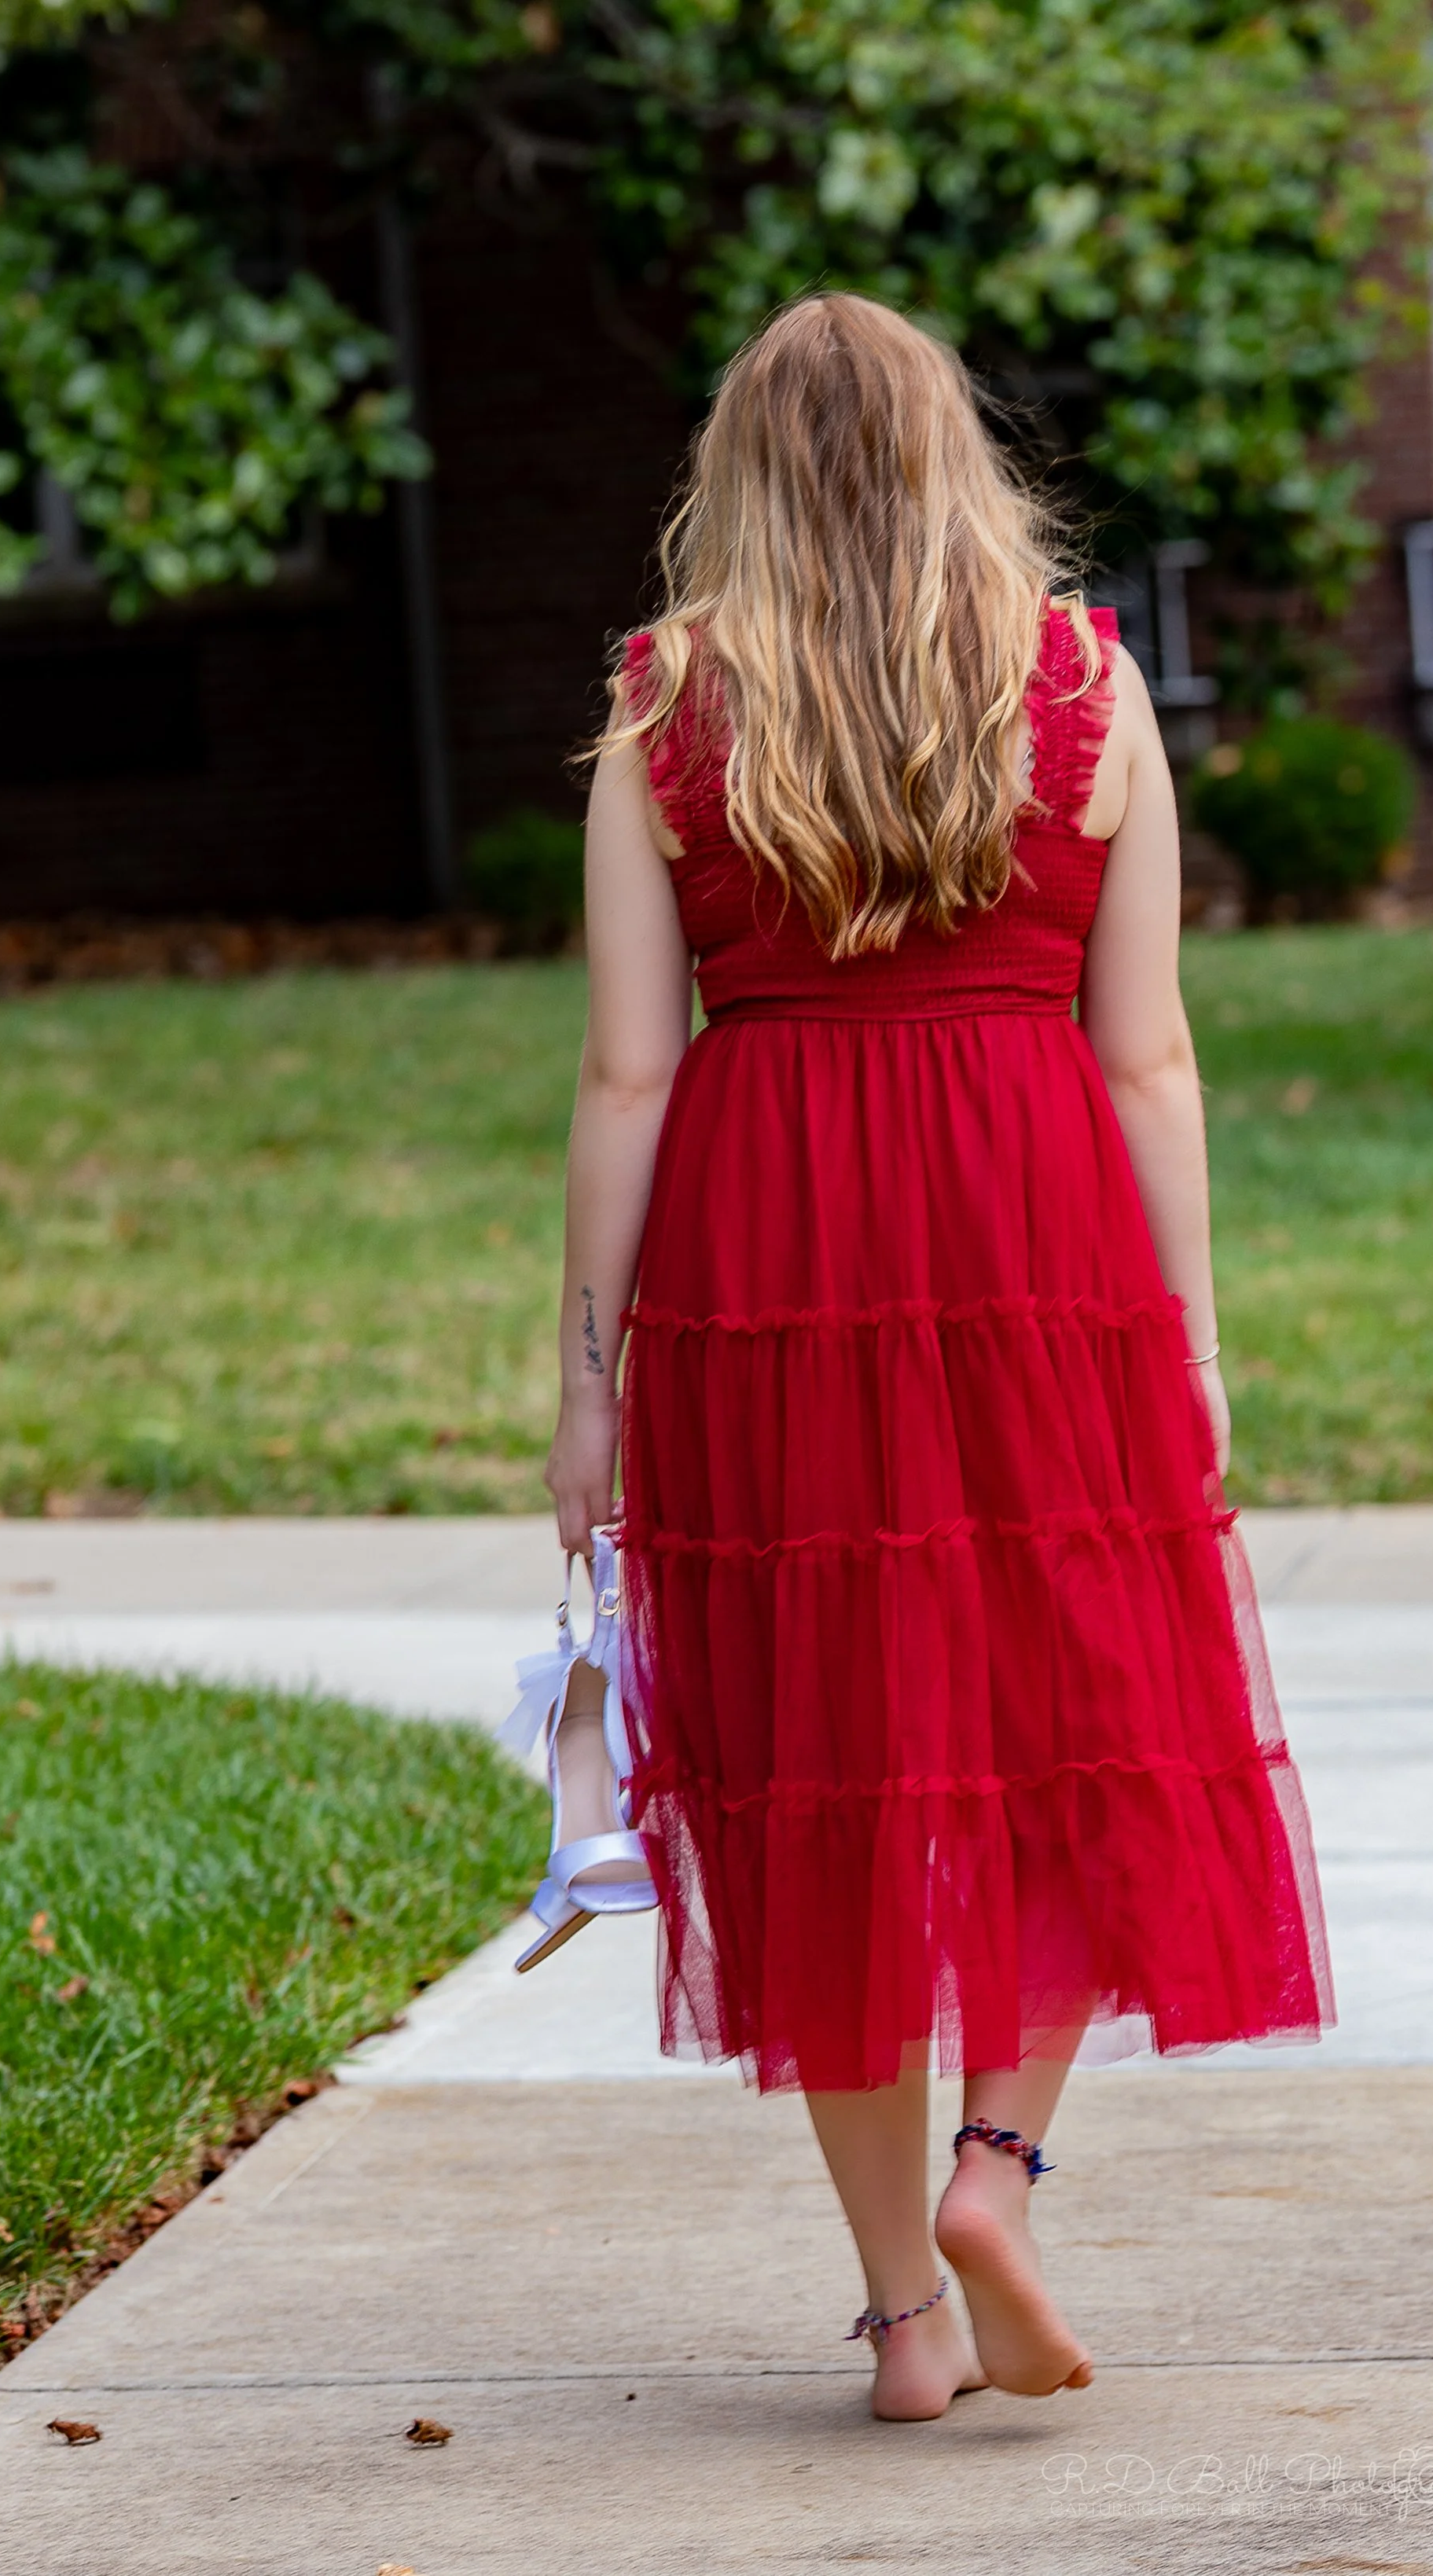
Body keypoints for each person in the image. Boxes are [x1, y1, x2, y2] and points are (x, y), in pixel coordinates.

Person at [543, 292, 1333, 2423]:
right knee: (1078, 1713)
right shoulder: (1085, 687)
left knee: (830, 1761)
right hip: (1032, 1229)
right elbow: (1147, 1050)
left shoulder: (667, 704)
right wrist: (1183, 1336)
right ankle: (1004, 2162)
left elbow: (632, 1074)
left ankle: (901, 2316)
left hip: (771, 1248)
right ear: (948, 456)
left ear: (741, 481)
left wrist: (589, 1378)